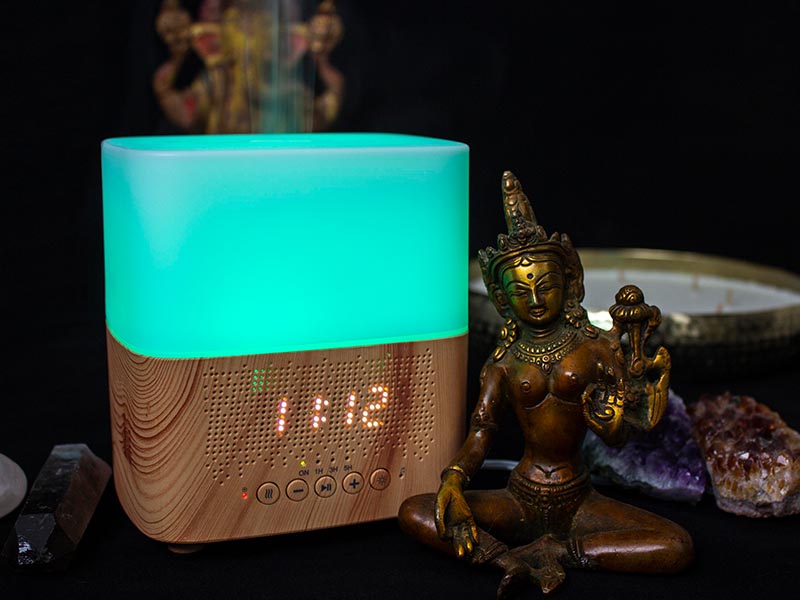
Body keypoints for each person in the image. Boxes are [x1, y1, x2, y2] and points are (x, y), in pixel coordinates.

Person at [398, 171, 693, 596]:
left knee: (675, 545)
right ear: (503, 300)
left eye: (546, 286)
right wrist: (454, 481)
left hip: (580, 499)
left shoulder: (595, 348)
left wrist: (611, 423)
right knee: (417, 510)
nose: (535, 300)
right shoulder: (504, 362)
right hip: (519, 497)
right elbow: (482, 431)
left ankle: (558, 552)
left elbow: (619, 434)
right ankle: (506, 559)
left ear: (569, 284)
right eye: (521, 291)